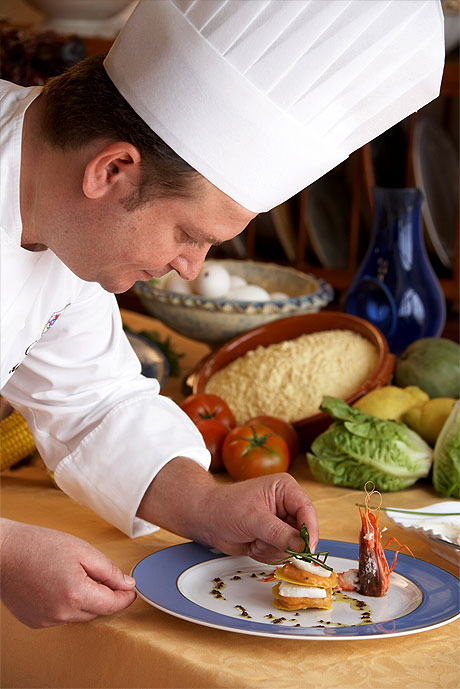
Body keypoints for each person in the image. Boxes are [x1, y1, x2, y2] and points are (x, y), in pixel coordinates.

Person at [0, 0, 444, 628]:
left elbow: (94, 407)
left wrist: (208, 505)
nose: (191, 267)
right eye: (189, 233)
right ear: (113, 170)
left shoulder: (66, 226)